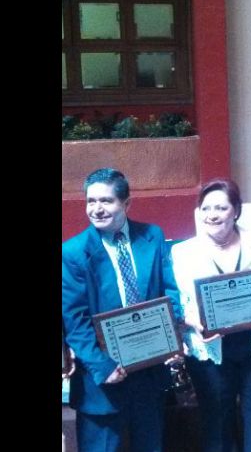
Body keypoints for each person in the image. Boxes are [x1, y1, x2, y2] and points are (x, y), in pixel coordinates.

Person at [62, 168, 181, 452]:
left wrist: (173, 337)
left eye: (106, 201)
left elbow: (170, 290)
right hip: (102, 380)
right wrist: (103, 366)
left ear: (127, 203)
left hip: (149, 373)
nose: (96, 209)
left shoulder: (152, 236)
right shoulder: (73, 252)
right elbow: (74, 320)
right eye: (91, 201)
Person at [170, 178, 251, 451]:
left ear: (236, 211)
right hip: (210, 348)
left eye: (220, 208)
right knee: (217, 422)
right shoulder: (183, 252)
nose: (212, 215)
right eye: (206, 208)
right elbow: (178, 302)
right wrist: (191, 322)